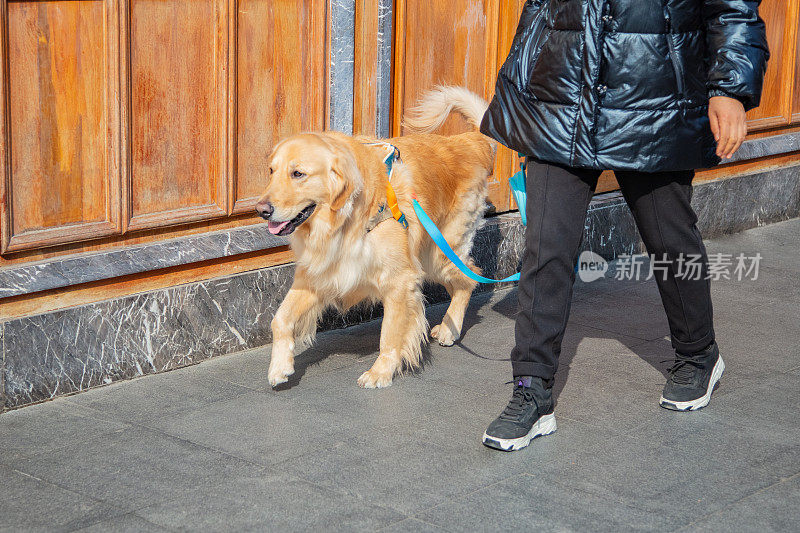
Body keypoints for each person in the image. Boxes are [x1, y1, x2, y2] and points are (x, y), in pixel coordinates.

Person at [479, 0, 769, 451]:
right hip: (564, 93)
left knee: (669, 240)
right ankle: (531, 389)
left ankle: (698, 354)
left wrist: (730, 87)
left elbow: (733, 7)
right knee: (545, 246)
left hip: (652, 98)